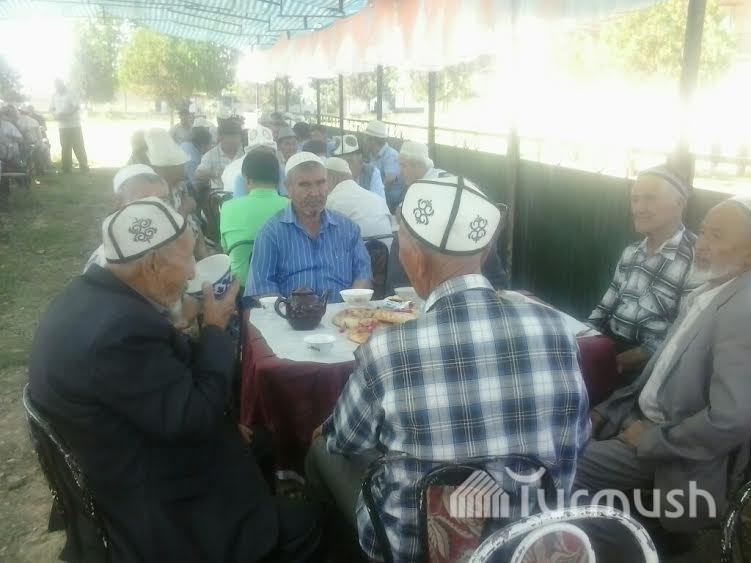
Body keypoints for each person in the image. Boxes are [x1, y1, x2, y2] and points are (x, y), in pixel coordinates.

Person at [306, 175, 589, 562]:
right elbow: (575, 442)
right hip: (528, 548)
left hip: (416, 552)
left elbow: (345, 440)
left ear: (415, 258)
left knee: (320, 451)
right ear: (485, 251)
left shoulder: (387, 349)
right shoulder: (556, 329)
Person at [28, 198, 321, 562]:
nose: (193, 272)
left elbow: (160, 381)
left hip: (126, 449)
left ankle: (261, 512)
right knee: (305, 523)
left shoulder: (92, 294)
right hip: (153, 503)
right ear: (153, 264)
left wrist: (184, 323)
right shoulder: (120, 330)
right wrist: (214, 329)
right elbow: (195, 418)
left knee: (258, 440)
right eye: (188, 259)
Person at [574, 194, 751, 560]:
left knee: (564, 466)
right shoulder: (711, 290)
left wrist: (652, 439)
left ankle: (617, 547)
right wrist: (607, 410)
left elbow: (731, 419)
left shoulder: (742, 311)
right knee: (564, 430)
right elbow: (657, 377)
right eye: (704, 232)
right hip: (636, 418)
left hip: (672, 450)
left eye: (717, 236)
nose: (701, 245)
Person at [588, 165, 697, 378]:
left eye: (650, 198)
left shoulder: (696, 259)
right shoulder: (631, 252)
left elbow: (684, 331)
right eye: (635, 199)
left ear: (679, 203)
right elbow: (605, 307)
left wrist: (627, 360)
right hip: (609, 345)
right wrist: (582, 336)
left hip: (652, 365)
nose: (638, 208)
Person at [244, 152, 372, 302]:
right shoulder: (271, 233)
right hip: (289, 314)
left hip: (343, 313)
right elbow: (262, 287)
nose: (315, 193)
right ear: (288, 188)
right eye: (305, 185)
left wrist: (350, 308)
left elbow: (363, 275)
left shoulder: (348, 229)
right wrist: (291, 311)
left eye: (321, 183)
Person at [83, 164, 171, 272]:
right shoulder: (108, 260)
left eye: (163, 200)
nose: (159, 208)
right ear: (119, 202)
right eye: (146, 200)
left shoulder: (169, 235)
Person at [220, 150, 288, 288]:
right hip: (284, 287)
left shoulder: (227, 208)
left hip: (241, 289)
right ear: (278, 179)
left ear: (246, 178)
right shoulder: (292, 207)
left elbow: (225, 248)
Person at [144, 128, 209, 260]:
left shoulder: (179, 186)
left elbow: (193, 223)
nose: (184, 167)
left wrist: (203, 253)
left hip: (191, 251)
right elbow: (163, 239)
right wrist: (184, 211)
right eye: (179, 164)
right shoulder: (152, 198)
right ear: (163, 169)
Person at [324, 157, 393, 249]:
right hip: (385, 255)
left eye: (322, 181)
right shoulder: (377, 198)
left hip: (356, 256)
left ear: (332, 178)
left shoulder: (331, 200)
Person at [228, 124, 279, 198]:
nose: (263, 158)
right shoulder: (241, 176)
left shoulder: (281, 172)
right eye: (258, 153)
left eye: (267, 153)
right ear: (250, 156)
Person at [49, 78, 89, 173]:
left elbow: (76, 106)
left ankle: (84, 166)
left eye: (59, 84)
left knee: (78, 146)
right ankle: (66, 168)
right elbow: (51, 108)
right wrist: (55, 116)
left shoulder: (71, 93)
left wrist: (67, 114)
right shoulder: (54, 95)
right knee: (65, 147)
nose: (57, 87)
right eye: (56, 85)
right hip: (62, 126)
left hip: (74, 124)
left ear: (63, 84)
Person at [194, 118, 245, 191]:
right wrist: (217, 174)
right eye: (231, 137)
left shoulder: (245, 152)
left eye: (237, 137)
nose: (235, 140)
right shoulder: (211, 155)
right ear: (221, 137)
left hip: (243, 192)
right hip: (219, 192)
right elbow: (198, 174)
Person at [363, 120, 402, 212]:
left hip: (390, 201)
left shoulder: (390, 155)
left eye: (366, 138)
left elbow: (390, 179)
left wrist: (373, 195)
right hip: (378, 196)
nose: (364, 141)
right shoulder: (372, 154)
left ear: (372, 140)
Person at [331, 134, 385, 199]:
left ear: (360, 161)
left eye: (349, 161)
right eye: (339, 163)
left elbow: (379, 201)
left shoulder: (372, 173)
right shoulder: (333, 173)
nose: (343, 167)